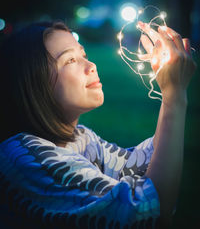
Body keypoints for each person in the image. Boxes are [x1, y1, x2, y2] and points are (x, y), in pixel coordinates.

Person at [0, 21, 196, 229]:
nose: (91, 66)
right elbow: (146, 211)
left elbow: (142, 166)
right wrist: (174, 96)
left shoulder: (80, 138)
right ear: (33, 84)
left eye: (83, 55)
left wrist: (172, 94)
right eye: (70, 60)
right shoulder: (28, 160)